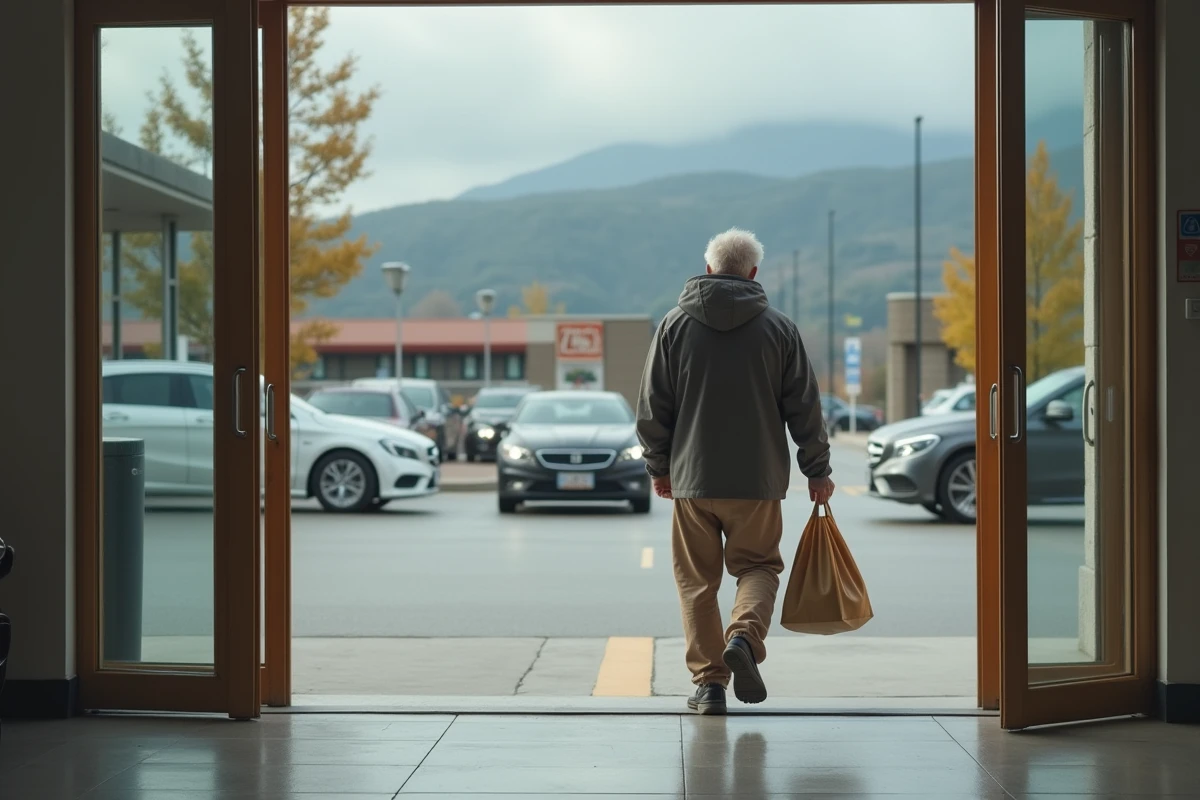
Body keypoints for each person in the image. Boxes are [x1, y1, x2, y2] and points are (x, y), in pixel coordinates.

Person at [636, 228, 835, 715]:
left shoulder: (673, 326)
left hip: (692, 480)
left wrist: (658, 467)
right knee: (759, 567)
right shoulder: (779, 329)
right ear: (752, 273)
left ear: (708, 269)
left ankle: (709, 685)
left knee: (697, 583)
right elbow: (804, 408)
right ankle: (744, 637)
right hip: (758, 482)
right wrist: (817, 469)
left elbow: (652, 406)